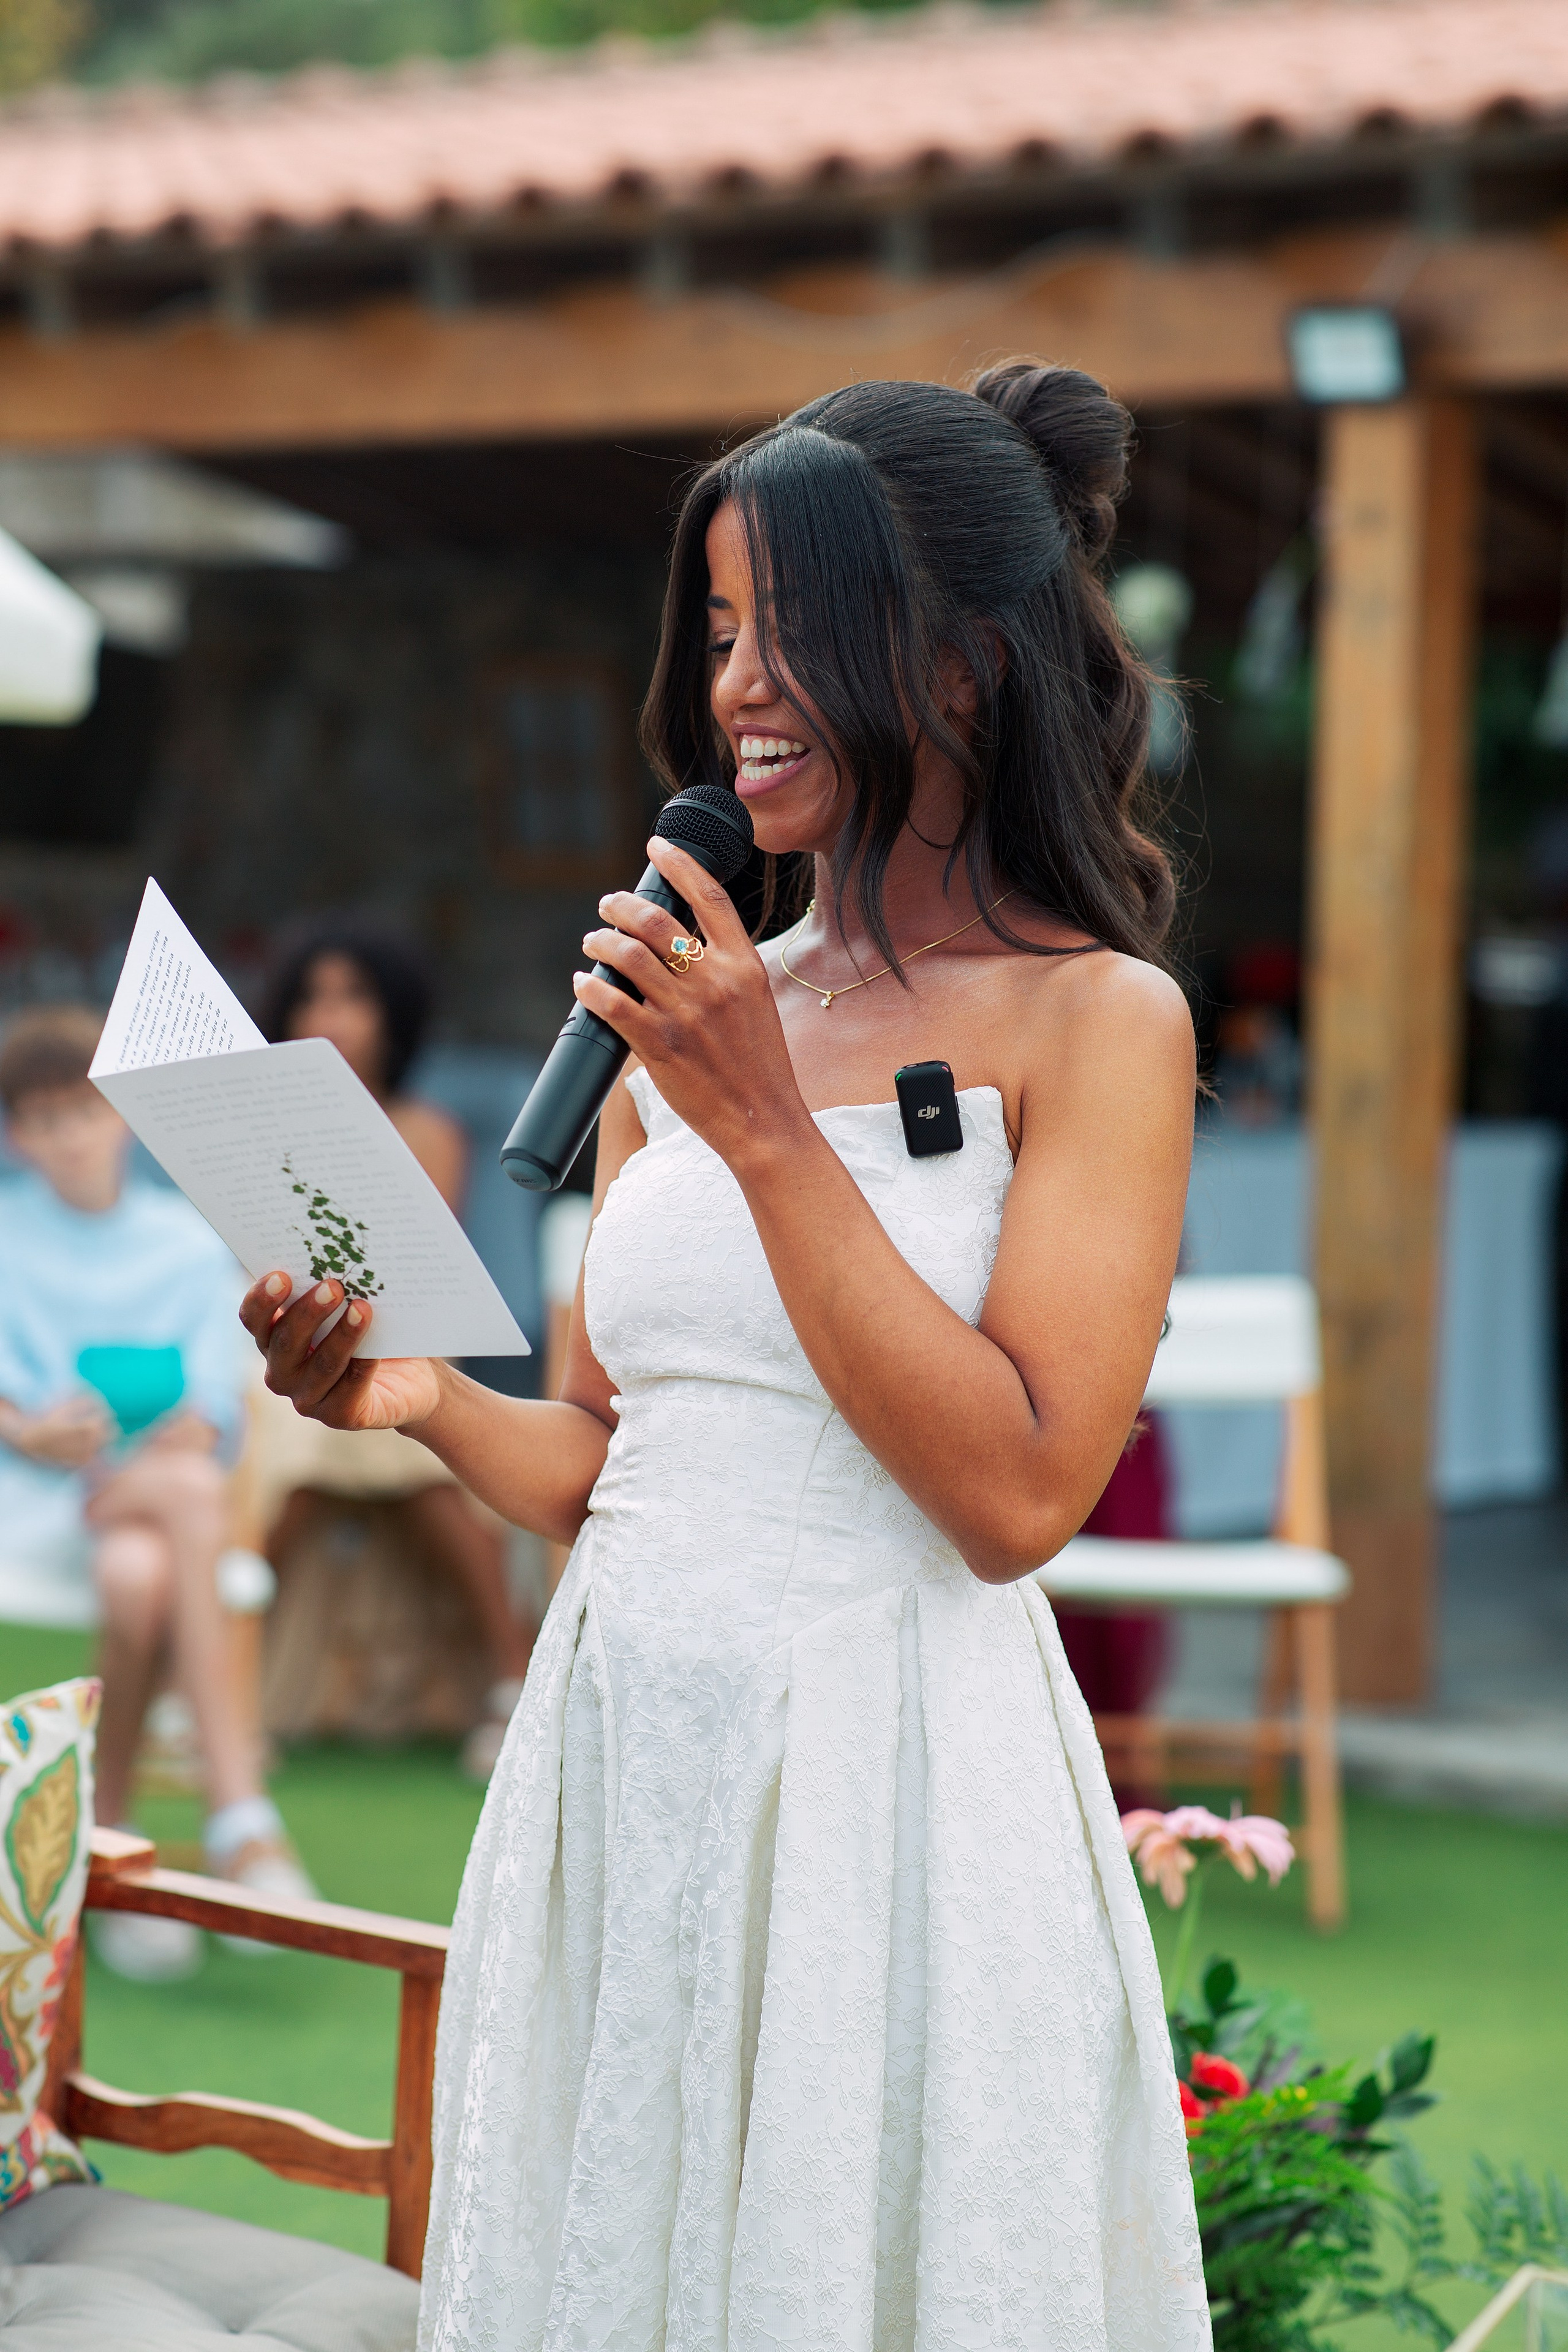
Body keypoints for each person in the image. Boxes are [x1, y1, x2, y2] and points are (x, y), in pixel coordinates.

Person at [246, 365, 1209, 2348]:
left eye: (790, 630)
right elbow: (609, 1463)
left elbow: (1019, 1496)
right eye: (715, 632)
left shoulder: (1097, 1025)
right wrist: (408, 1395)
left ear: (957, 668)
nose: (739, 685)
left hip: (881, 1795)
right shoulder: (690, 1016)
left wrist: (765, 1126)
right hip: (628, 1761)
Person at [0, 1006, 311, 1981]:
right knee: (176, 1502)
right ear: (16, 1135)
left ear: (120, 1117)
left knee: (141, 1575)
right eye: (43, 1120)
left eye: (82, 1113)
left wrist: (194, 1427)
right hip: (42, 1500)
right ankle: (238, 1808)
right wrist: (30, 1431)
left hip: (157, 1507)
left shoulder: (183, 1241)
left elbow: (219, 1402)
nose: (68, 1137)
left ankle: (113, 1827)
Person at [256, 919, 533, 1774]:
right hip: (280, 1361)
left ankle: (513, 1679)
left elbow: (407, 1263)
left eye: (354, 995)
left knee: (398, 1450)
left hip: (401, 1346)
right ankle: (509, 1679)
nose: (332, 1014)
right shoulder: (260, 1127)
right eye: (314, 994)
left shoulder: (427, 1127)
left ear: (394, 1015)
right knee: (300, 1440)